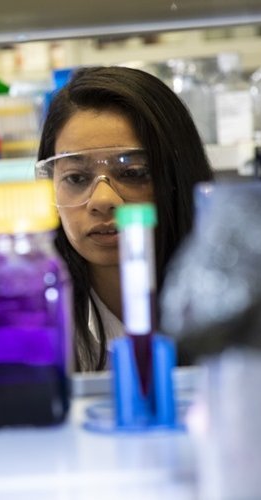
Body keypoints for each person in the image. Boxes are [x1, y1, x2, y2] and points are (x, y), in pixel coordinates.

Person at [35, 65, 214, 371]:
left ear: (179, 178)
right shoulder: (34, 319)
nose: (103, 201)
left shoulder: (235, 301)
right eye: (76, 178)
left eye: (134, 173)